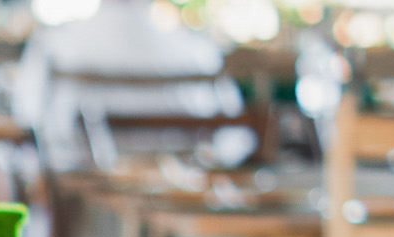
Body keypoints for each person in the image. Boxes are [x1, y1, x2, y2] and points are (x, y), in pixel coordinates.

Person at [12, 0, 236, 172]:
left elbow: (26, 119)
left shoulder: (53, 46)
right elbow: (235, 139)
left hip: (78, 205)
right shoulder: (199, 53)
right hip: (179, 203)